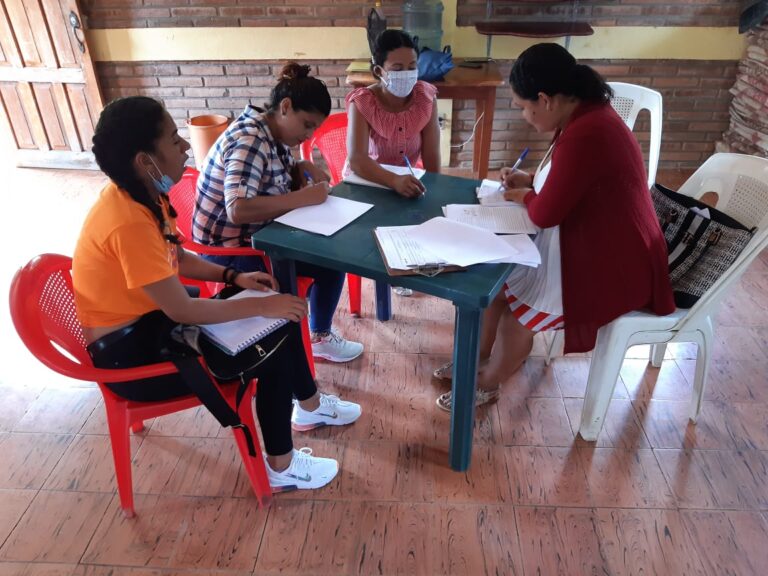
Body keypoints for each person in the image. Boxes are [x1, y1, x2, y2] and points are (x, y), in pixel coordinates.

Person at [73, 96, 362, 491]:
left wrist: (234, 278)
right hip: (132, 361)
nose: (186, 147)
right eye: (174, 140)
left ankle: (309, 408)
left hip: (150, 325)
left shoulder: (140, 197)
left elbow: (177, 260)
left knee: (280, 315)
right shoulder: (127, 223)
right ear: (145, 160)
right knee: (273, 342)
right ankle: (282, 464)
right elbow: (182, 310)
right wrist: (262, 303)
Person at [432, 43, 675, 411]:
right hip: (593, 240)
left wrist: (523, 197)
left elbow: (545, 215)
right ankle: (474, 359)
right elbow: (573, 181)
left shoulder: (588, 132)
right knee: (494, 290)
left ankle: (487, 382)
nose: (526, 117)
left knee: (518, 317)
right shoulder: (585, 115)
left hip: (610, 263)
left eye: (524, 108)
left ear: (544, 99)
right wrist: (530, 180)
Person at [193, 62, 363, 362]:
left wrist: (299, 167)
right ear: (285, 107)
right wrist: (302, 198)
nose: (308, 135)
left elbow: (268, 179)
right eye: (307, 124)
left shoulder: (272, 131)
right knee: (299, 281)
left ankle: (319, 336)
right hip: (230, 250)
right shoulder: (250, 140)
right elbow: (238, 209)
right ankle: (281, 362)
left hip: (259, 235)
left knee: (332, 259)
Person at [346, 29, 441, 296]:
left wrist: (437, 189)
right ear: (379, 71)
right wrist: (393, 181)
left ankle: (405, 263)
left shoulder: (426, 97)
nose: (407, 73)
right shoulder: (363, 102)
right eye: (397, 68)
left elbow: (432, 155)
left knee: (421, 218)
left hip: (406, 179)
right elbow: (358, 160)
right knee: (372, 235)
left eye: (412, 66)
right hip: (368, 182)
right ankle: (389, 267)